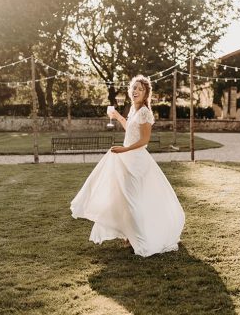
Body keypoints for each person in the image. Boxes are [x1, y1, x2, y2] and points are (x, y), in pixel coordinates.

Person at [70, 75, 185, 257]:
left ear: (146, 93)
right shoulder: (134, 110)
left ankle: (139, 239)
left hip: (137, 161)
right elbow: (130, 128)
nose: (135, 91)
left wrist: (124, 150)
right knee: (123, 198)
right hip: (127, 158)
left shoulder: (146, 112)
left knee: (132, 200)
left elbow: (144, 140)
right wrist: (116, 116)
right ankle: (129, 235)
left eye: (139, 89)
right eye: (133, 88)